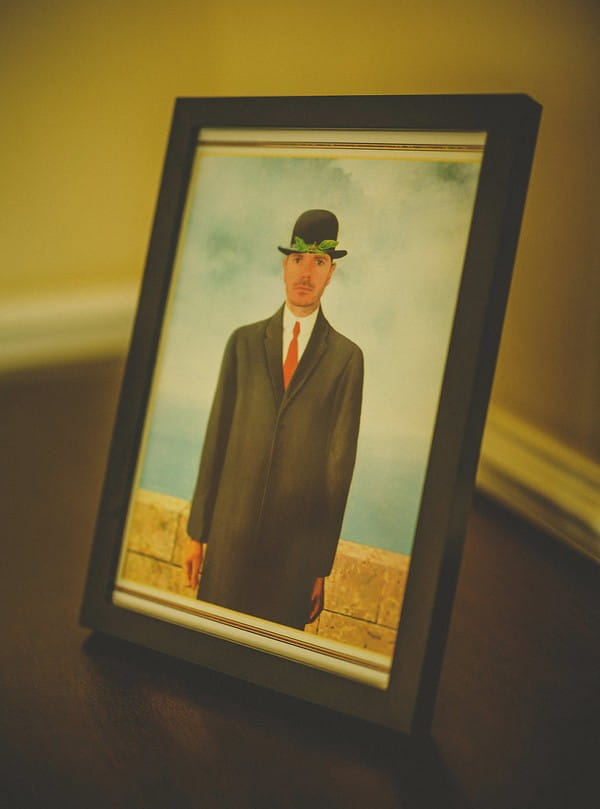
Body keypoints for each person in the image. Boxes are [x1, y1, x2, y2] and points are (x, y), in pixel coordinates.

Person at [182, 209, 363, 629]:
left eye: (318, 262)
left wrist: (319, 568)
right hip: (229, 544)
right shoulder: (243, 344)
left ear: (330, 273)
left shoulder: (346, 360)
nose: (306, 272)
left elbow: (337, 474)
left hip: (291, 564)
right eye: (298, 259)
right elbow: (216, 440)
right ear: (285, 265)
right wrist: (197, 535)